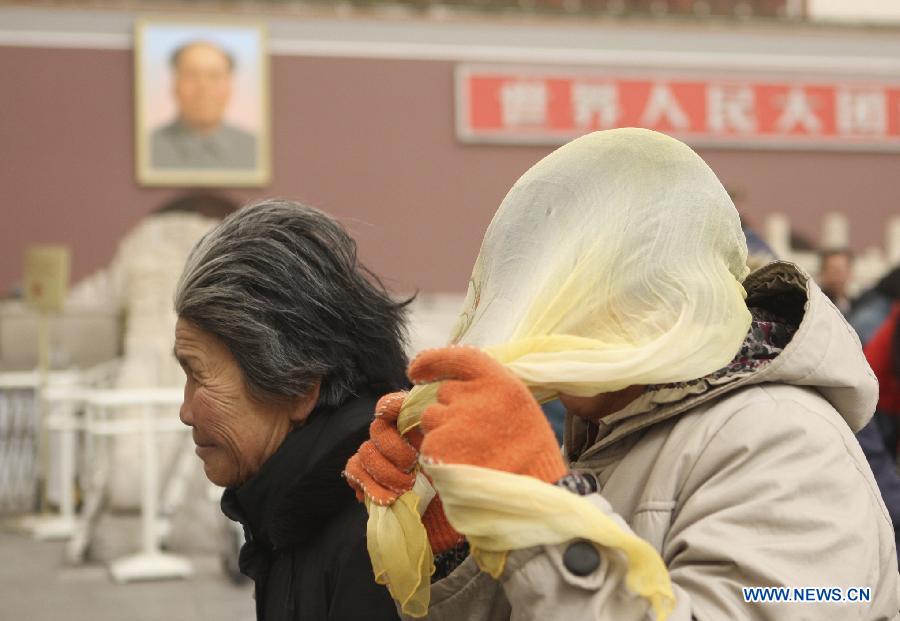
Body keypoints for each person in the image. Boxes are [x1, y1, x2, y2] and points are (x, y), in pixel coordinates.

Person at [345, 129, 900, 620]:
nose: (557, 317)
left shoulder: (785, 440)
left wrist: (540, 503)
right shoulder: (612, 431)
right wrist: (452, 519)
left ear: (668, 296)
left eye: (591, 292)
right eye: (550, 290)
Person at [174, 199, 404, 620]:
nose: (185, 411)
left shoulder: (376, 533)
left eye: (198, 375)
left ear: (298, 387)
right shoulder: (291, 507)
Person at [151, 41, 257, 169]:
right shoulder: (149, 146)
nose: (203, 88)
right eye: (191, 75)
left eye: (214, 76)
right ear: (175, 85)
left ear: (230, 87)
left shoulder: (255, 147)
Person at [819, 248, 854, 315]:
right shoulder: (815, 305)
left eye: (841, 271)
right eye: (832, 271)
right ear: (822, 273)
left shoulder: (858, 305)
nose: (837, 277)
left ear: (850, 273)